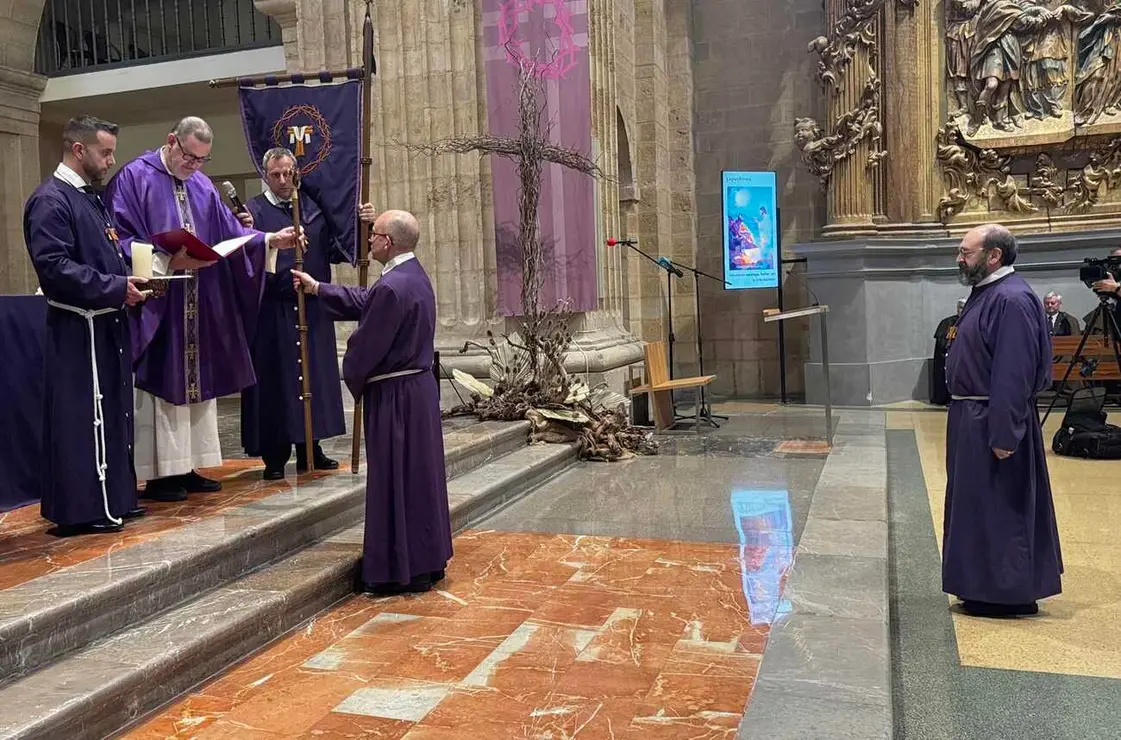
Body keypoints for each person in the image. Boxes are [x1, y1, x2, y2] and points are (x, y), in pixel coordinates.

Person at [104, 116, 302, 501]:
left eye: (202, 161)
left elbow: (230, 233)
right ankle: (160, 474)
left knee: (197, 384)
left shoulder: (200, 185)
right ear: (172, 141)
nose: (194, 167)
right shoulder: (133, 178)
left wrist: (268, 239)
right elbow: (118, 238)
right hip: (160, 304)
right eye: (190, 157)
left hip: (199, 302)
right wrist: (165, 260)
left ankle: (189, 466)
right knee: (162, 386)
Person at [291, 210, 452, 595]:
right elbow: (369, 300)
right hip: (418, 392)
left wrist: (351, 367)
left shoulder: (393, 287)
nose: (368, 240)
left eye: (373, 234)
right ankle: (426, 561)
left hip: (395, 399)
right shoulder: (412, 276)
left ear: (388, 242)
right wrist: (318, 288)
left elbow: (366, 347)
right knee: (418, 480)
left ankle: (400, 570)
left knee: (395, 480)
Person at [23, 115, 150, 536]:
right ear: (79, 150)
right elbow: (55, 268)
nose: (111, 160)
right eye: (105, 152)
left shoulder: (88, 198)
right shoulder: (51, 201)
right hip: (78, 330)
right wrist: (116, 287)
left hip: (105, 324)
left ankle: (115, 497)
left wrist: (126, 282)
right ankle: (81, 508)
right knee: (83, 417)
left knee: (112, 413)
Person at [943, 223, 1063, 617]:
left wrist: (1005, 433)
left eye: (966, 252)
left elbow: (1013, 372)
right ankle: (979, 585)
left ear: (994, 255)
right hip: (970, 417)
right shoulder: (988, 293)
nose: (960, 258)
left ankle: (1006, 593)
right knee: (977, 508)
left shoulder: (1011, 299)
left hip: (991, 422)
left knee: (1000, 508)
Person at [240, 148, 377, 479]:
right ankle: (274, 456)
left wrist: (364, 224)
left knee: (312, 377)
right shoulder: (253, 212)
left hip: (312, 307)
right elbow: (241, 256)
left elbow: (339, 249)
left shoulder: (313, 208)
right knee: (276, 381)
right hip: (272, 310)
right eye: (276, 175)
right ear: (265, 175)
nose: (284, 180)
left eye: (289, 173)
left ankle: (310, 448)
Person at [931, 298, 967, 406]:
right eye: (960, 307)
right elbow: (945, 342)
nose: (962, 310)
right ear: (957, 308)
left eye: (964, 307)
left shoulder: (972, 321)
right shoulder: (950, 323)